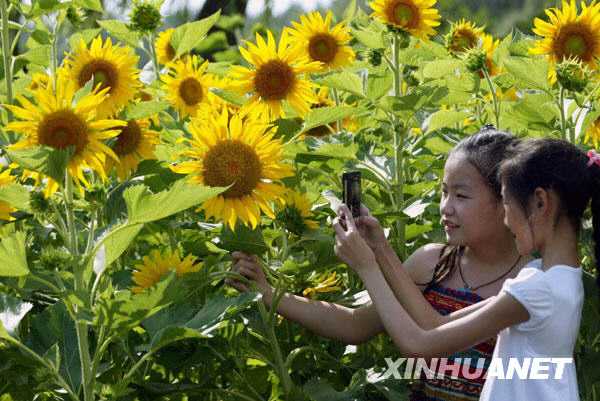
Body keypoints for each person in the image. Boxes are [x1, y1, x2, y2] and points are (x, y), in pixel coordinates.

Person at [227, 127, 529, 400]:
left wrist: (371, 263)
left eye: (461, 195)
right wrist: (269, 294)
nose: (445, 208)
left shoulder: (528, 282)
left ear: (505, 200)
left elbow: (430, 335)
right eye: (443, 192)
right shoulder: (431, 263)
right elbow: (355, 325)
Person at [333, 137, 598, 400]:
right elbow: (436, 324)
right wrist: (380, 248)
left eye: (506, 203)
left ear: (540, 203)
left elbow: (420, 346)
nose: (505, 219)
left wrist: (366, 266)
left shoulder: (536, 289)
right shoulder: (552, 276)